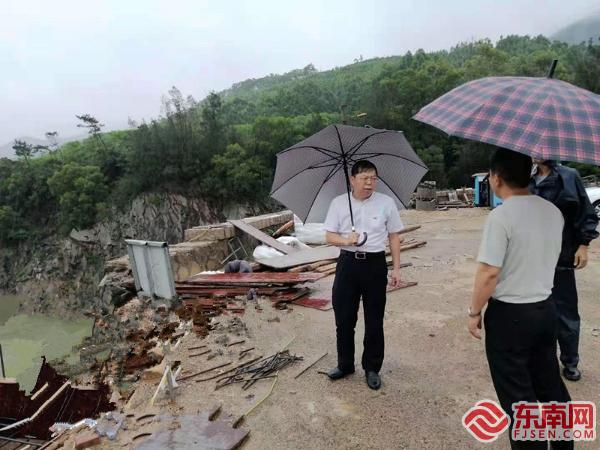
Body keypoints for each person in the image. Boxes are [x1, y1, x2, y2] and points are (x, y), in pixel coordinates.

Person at [468, 148, 572, 449]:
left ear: (495, 177)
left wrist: (474, 312)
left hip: (510, 316)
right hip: (544, 309)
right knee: (550, 385)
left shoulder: (501, 216)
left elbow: (489, 272)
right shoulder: (552, 211)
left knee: (519, 399)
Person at [323, 160, 404, 390]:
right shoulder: (339, 204)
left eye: (373, 178)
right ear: (352, 179)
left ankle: (372, 368)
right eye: (364, 178)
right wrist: (345, 239)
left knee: (374, 319)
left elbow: (394, 237)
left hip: (375, 265)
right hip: (347, 265)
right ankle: (345, 364)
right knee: (344, 318)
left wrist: (396, 269)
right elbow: (329, 236)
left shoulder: (386, 203)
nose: (369, 183)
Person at [530, 159, 599, 381]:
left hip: (562, 255)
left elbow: (586, 212)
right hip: (532, 259)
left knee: (565, 314)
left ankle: (570, 361)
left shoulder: (569, 176)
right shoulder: (526, 179)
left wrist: (584, 244)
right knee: (535, 312)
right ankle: (542, 360)